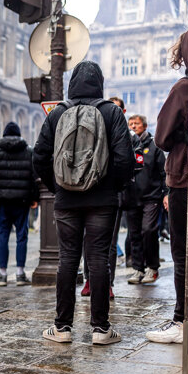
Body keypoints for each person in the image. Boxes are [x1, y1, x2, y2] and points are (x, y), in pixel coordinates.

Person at [33, 60, 134, 345]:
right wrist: (114, 187)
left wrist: (58, 187)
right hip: (102, 199)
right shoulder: (111, 112)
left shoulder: (57, 113)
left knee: (67, 258)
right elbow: (125, 158)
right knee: (99, 259)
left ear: (72, 82)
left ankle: (62, 328)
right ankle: (101, 329)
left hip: (66, 199)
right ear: (100, 83)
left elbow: (39, 156)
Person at [146, 28, 188, 345]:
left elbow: (161, 138)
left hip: (184, 178)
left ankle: (182, 319)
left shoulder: (183, 89)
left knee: (182, 250)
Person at [80, 96, 137, 299]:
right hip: (91, 192)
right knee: (88, 240)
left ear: (122, 111)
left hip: (113, 196)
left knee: (109, 244)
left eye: (116, 108)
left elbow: (131, 165)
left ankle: (107, 284)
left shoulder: (130, 136)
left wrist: (118, 186)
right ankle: (88, 280)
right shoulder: (96, 129)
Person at [0, 122, 39, 287]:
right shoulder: (28, 151)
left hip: (2, 201)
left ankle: (2, 274)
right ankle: (20, 274)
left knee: (3, 236)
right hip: (22, 201)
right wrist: (34, 198)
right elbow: (34, 176)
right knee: (22, 236)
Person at [125, 114, 166, 285]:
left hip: (151, 196)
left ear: (145, 126)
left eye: (136, 123)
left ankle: (152, 267)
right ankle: (138, 268)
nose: (133, 126)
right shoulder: (125, 144)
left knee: (149, 230)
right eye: (131, 123)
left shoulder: (154, 146)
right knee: (134, 234)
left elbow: (163, 172)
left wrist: (165, 193)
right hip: (131, 197)